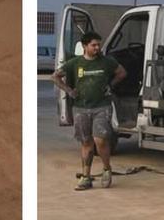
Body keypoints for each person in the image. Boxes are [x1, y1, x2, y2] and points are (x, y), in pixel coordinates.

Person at [52, 31, 126, 190]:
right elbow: (55, 76)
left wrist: (110, 85)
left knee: (100, 140)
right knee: (86, 142)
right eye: (94, 45)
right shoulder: (75, 63)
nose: (97, 48)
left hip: (102, 107)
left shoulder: (107, 62)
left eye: (98, 44)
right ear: (85, 46)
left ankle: (106, 169)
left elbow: (121, 73)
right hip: (81, 108)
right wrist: (69, 90)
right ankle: (86, 177)